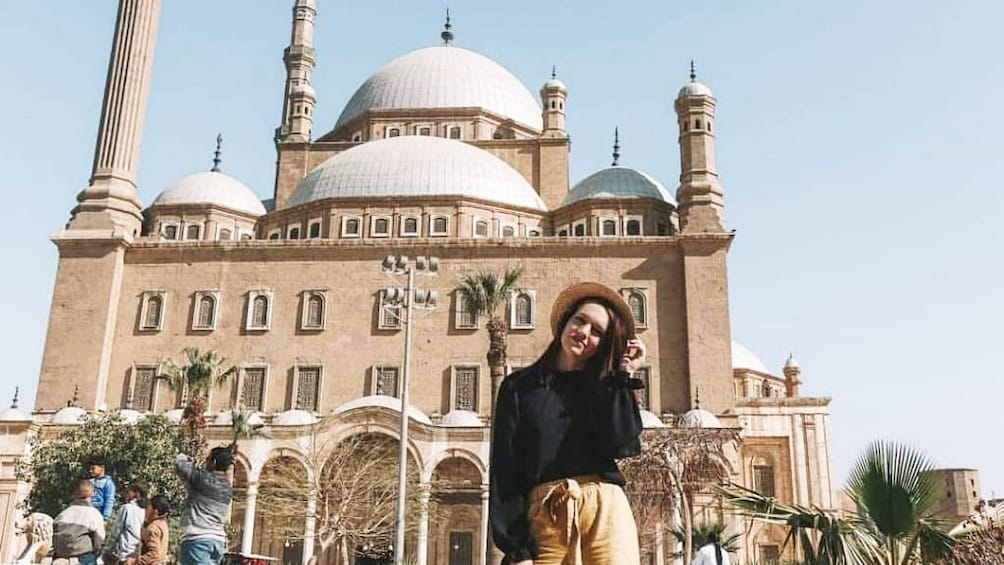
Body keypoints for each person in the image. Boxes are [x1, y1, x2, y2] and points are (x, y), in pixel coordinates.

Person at [490, 282, 647, 565]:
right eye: (580, 320)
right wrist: (517, 549)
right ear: (566, 322)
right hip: (546, 514)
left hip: (605, 513)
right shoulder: (519, 388)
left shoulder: (605, 388)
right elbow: (505, 470)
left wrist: (623, 374)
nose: (584, 333)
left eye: (597, 332)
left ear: (604, 344)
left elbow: (624, 443)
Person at [174, 446, 234, 565]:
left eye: (208, 459)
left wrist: (183, 456)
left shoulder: (202, 479)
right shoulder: (228, 488)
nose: (206, 462)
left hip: (197, 540)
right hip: (218, 541)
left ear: (214, 462)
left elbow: (180, 464)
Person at [52, 480, 106, 565]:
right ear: (93, 494)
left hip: (60, 555)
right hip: (83, 557)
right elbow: (99, 540)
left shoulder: (63, 513)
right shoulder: (94, 514)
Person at [102, 483, 147, 565]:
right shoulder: (145, 511)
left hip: (125, 554)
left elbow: (116, 531)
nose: (125, 495)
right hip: (138, 554)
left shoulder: (127, 508)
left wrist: (107, 549)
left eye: (128, 492)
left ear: (136, 494)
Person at [133, 494, 171, 565]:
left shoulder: (152, 528)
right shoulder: (163, 524)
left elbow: (154, 554)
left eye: (148, 507)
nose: (145, 510)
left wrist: (134, 562)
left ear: (155, 511)